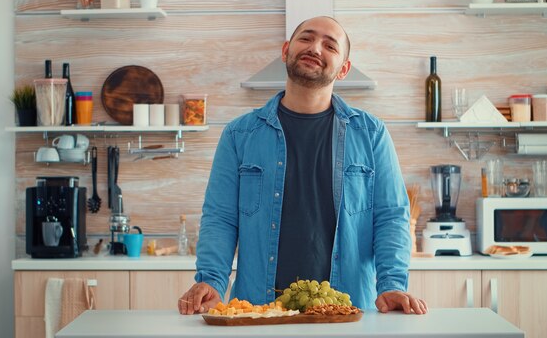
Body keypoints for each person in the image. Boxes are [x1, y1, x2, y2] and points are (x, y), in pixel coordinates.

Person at [178, 16, 427, 315]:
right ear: (286, 51)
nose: (315, 48)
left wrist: (392, 285)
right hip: (258, 312)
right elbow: (220, 217)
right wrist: (212, 281)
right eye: (306, 38)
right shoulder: (239, 134)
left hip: (346, 314)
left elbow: (390, 218)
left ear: (344, 69)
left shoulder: (371, 134)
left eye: (330, 45)